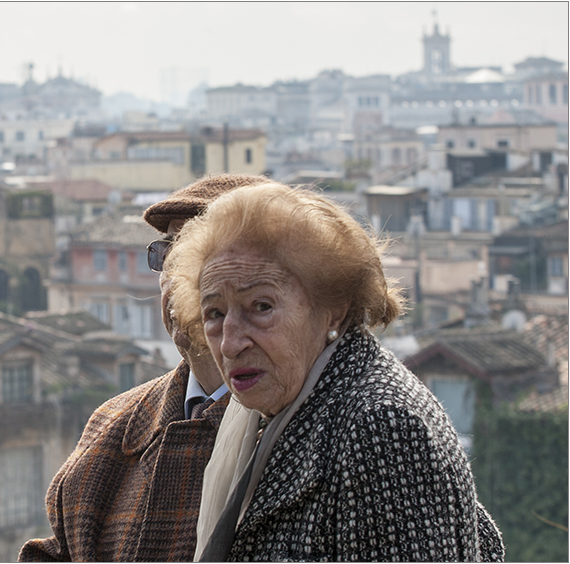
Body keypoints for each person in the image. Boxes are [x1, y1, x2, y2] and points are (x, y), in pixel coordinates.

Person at [164, 182, 505, 561]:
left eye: (260, 307)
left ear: (333, 309)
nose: (230, 343)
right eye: (215, 313)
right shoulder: (272, 417)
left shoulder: (381, 427)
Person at [18, 174, 266, 562]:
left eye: (205, 258)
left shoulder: (311, 430)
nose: (180, 281)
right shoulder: (112, 427)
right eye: (170, 256)